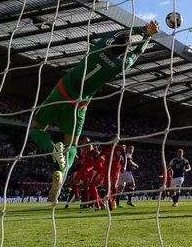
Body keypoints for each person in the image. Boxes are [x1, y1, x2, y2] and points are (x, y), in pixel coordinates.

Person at [27, 22, 159, 202]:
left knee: (35, 128)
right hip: (80, 104)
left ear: (112, 43)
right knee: (72, 145)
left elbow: (118, 33)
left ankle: (52, 149)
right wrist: (147, 36)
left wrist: (140, 29)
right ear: (123, 51)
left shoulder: (100, 46)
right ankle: (61, 175)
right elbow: (137, 53)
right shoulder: (118, 65)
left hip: (63, 90)